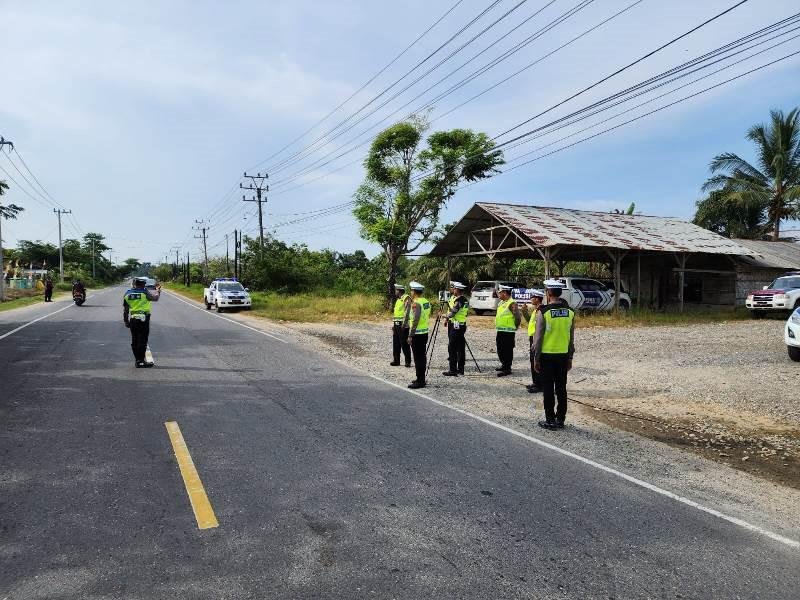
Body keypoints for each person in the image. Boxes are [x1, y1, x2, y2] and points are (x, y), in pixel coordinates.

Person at [532, 279, 576, 430]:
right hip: (563, 356)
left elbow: (537, 339)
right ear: (560, 292)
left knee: (549, 389)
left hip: (547, 356)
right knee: (561, 389)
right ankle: (561, 420)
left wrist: (536, 358)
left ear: (548, 293)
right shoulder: (570, 312)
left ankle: (550, 420)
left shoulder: (544, 312)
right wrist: (570, 357)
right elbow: (571, 338)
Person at [123, 277, 161, 368]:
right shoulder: (144, 292)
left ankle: (137, 360)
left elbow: (125, 310)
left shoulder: (127, 294)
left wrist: (126, 321)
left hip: (133, 319)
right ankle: (140, 361)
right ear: (143, 285)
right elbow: (155, 298)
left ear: (134, 284)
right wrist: (158, 291)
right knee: (142, 340)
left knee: (134, 340)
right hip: (144, 319)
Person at [406, 281, 431, 389]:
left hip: (417, 334)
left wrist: (410, 335)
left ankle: (420, 381)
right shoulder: (426, 301)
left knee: (418, 358)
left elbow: (415, 320)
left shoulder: (416, 303)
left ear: (414, 291)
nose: (410, 292)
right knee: (422, 357)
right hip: (424, 332)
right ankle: (420, 378)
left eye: (411, 290)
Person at [442, 281, 469, 376]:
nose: (452, 290)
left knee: (452, 347)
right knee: (460, 347)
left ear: (457, 289)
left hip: (457, 326)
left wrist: (443, 316)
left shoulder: (460, 300)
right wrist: (447, 320)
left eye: (454, 289)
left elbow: (453, 312)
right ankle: (460, 369)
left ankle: (453, 370)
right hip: (459, 324)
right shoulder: (463, 299)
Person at [521, 289, 545, 393]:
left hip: (537, 339)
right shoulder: (536, 310)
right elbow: (530, 321)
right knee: (532, 361)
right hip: (532, 338)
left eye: (532, 297)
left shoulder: (541, 310)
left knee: (537, 361)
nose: (531, 299)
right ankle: (535, 382)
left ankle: (540, 385)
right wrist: (524, 312)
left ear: (537, 299)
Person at [494, 284, 521, 377]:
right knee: (500, 349)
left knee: (507, 350)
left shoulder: (512, 303)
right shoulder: (501, 302)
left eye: (500, 293)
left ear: (505, 293)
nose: (499, 294)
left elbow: (517, 317)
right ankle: (503, 365)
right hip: (500, 330)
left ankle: (507, 368)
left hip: (508, 331)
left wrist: (515, 326)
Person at [390, 283, 411, 368]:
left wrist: (404, 323)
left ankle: (408, 361)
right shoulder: (398, 300)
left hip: (403, 325)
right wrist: (394, 325)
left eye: (396, 290)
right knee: (396, 343)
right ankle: (396, 360)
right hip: (396, 324)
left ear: (399, 291)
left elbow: (407, 312)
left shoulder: (406, 298)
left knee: (404, 344)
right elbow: (397, 314)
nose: (395, 292)